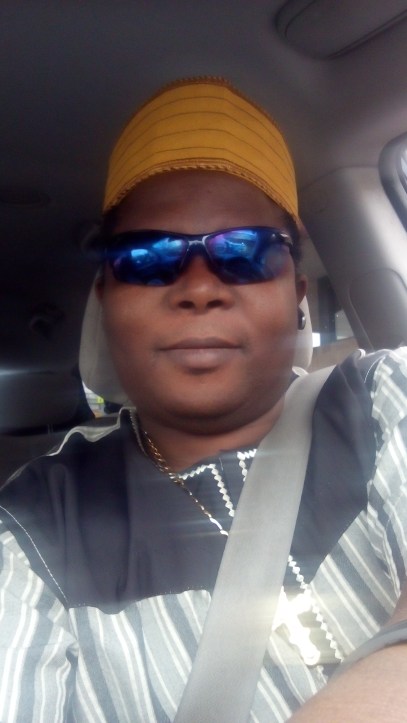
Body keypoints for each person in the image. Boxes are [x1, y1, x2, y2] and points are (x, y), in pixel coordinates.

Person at [0, 77, 407, 723]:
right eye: (147, 256)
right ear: (105, 300)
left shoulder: (387, 397)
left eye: (245, 252)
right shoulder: (33, 530)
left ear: (296, 293)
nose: (198, 287)